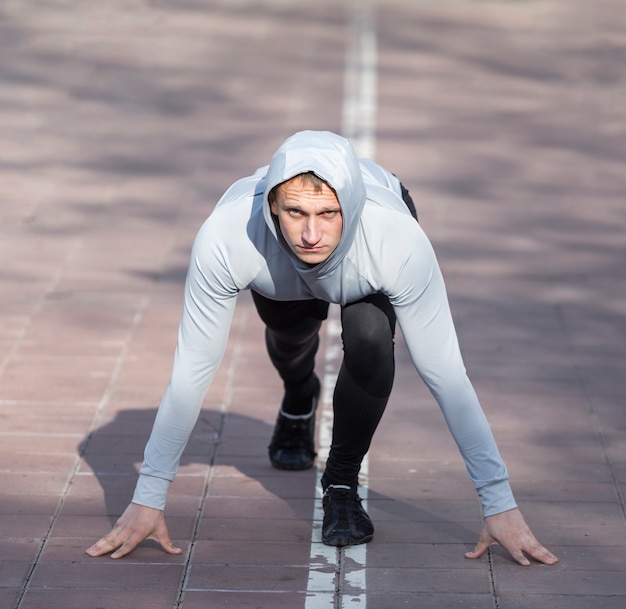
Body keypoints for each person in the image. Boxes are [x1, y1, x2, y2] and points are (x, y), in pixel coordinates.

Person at [86, 130, 558, 566]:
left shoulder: (395, 240)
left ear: (348, 208)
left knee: (371, 340)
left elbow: (446, 374)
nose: (311, 235)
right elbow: (193, 370)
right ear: (273, 207)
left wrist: (499, 503)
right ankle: (298, 397)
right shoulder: (228, 237)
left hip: (365, 264)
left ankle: (341, 482)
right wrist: (148, 497)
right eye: (295, 213)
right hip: (278, 275)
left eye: (327, 214)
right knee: (292, 338)